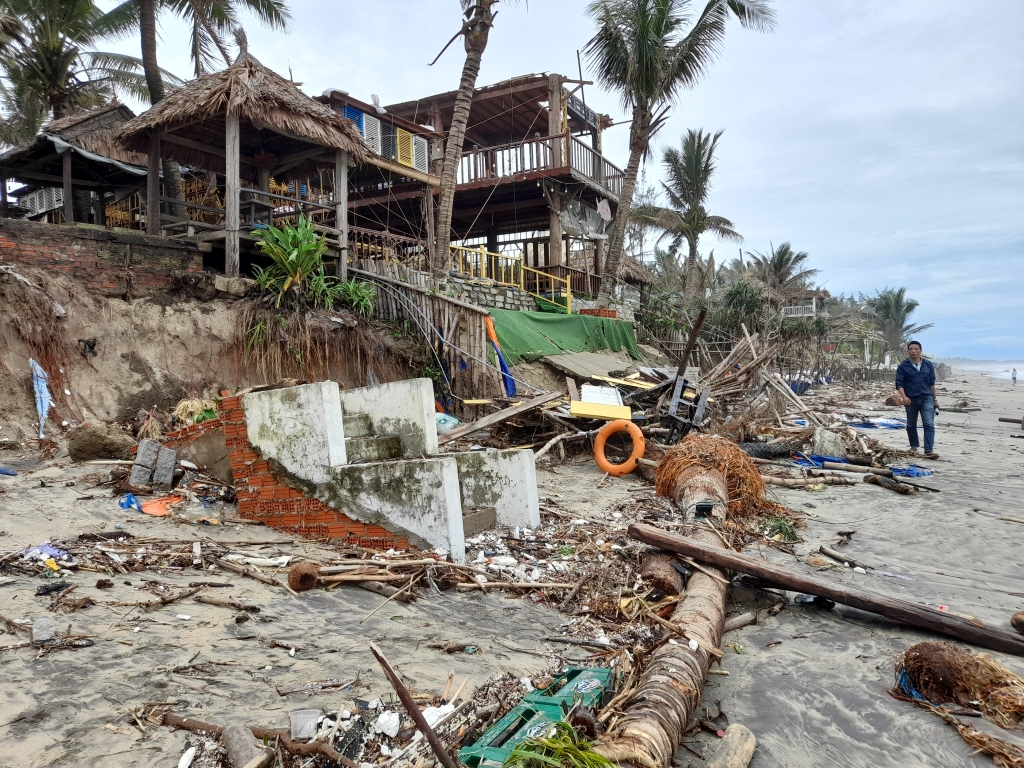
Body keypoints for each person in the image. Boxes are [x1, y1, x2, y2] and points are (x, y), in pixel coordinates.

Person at [894, 340, 939, 459]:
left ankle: (928, 450)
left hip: (926, 398)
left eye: (916, 349)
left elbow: (932, 383)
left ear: (920, 351)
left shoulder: (928, 365)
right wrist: (904, 397)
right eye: (911, 349)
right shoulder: (903, 366)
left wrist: (935, 399)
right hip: (911, 400)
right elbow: (899, 384)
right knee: (910, 424)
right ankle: (914, 446)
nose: (913, 351)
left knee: (929, 424)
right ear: (908, 351)